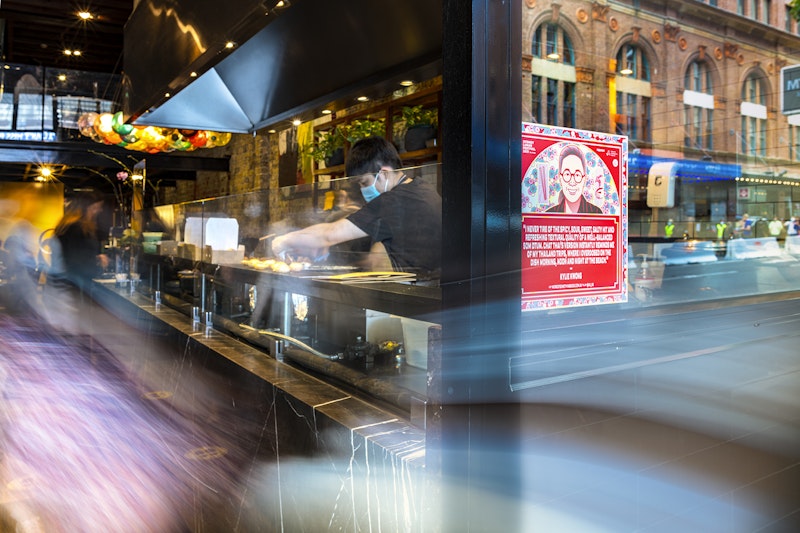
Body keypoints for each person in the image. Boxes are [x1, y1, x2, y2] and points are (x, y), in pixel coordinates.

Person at [272, 136, 442, 275]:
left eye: (364, 182)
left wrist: (283, 240)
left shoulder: (393, 200)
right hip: (432, 289)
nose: (363, 190)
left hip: (417, 297)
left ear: (383, 173)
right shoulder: (421, 187)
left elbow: (330, 234)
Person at [51, 193, 109, 291]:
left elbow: (72, 253)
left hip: (62, 281)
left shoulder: (67, 226)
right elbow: (76, 260)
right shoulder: (76, 228)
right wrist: (96, 262)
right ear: (87, 208)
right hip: (72, 283)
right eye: (97, 207)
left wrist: (96, 257)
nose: (100, 210)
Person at [545, 143, 602, 214]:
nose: (572, 182)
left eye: (577, 175)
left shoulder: (595, 212)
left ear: (584, 178)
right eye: (567, 174)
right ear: (560, 178)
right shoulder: (550, 214)